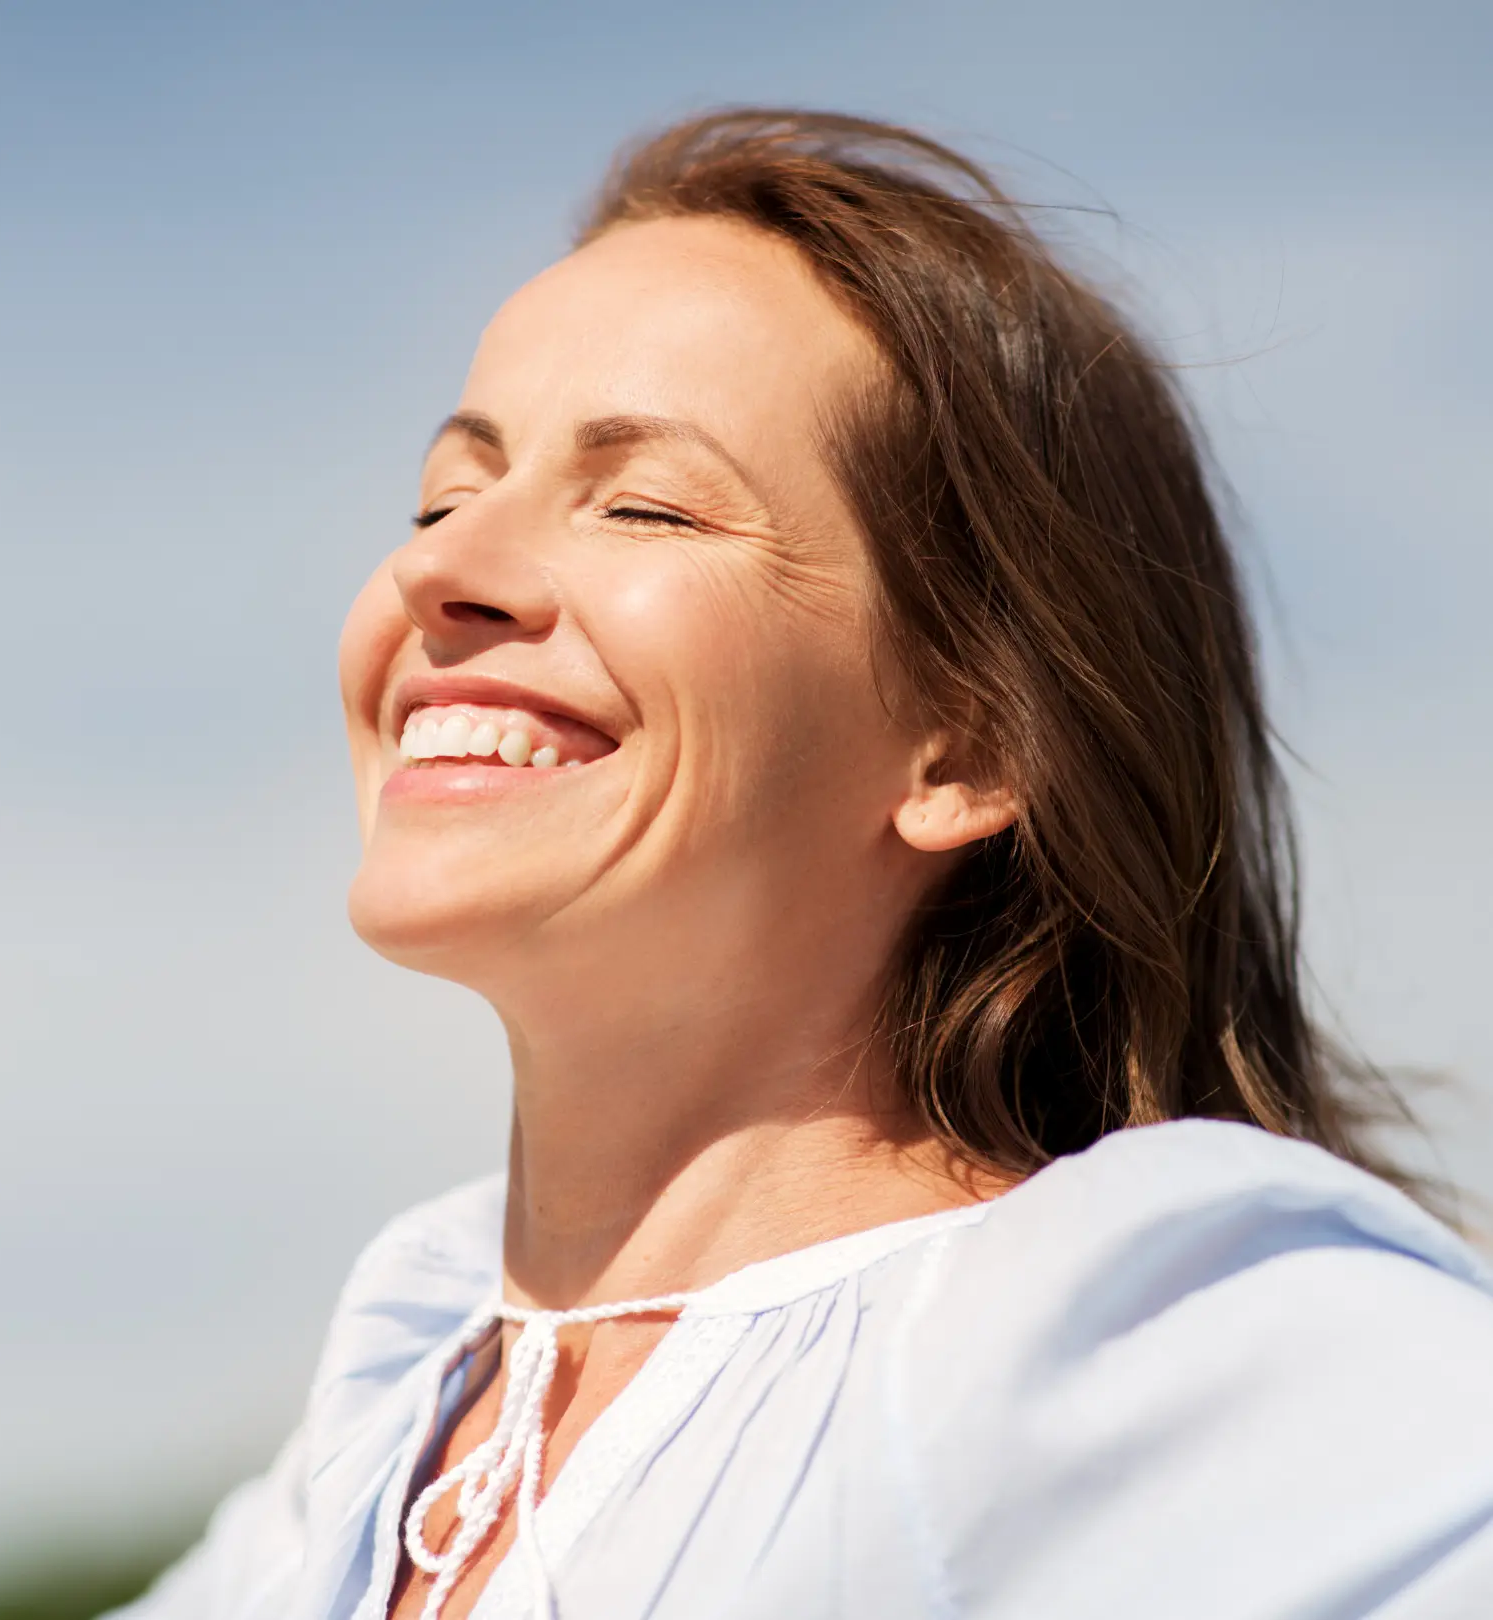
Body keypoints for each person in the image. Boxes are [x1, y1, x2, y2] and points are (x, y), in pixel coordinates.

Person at [110, 110, 1493, 1620]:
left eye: (643, 503)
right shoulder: (386, 1413)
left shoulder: (1106, 1335)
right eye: (447, 495)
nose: (439, 570)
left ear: (968, 744)